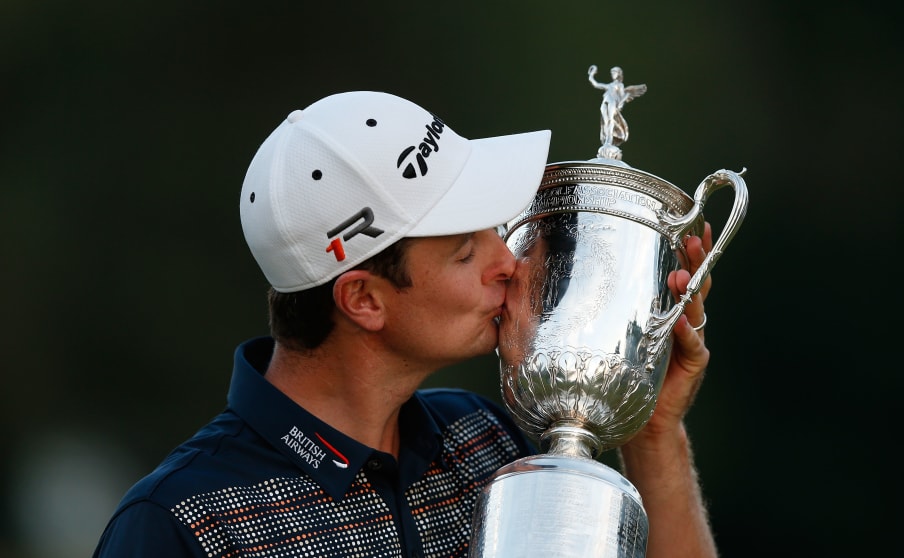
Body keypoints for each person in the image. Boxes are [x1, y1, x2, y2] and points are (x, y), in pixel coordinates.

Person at [92, 90, 718, 557]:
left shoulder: (488, 441)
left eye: (493, 230)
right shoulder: (179, 523)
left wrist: (655, 431)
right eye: (465, 251)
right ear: (364, 299)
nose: (509, 263)